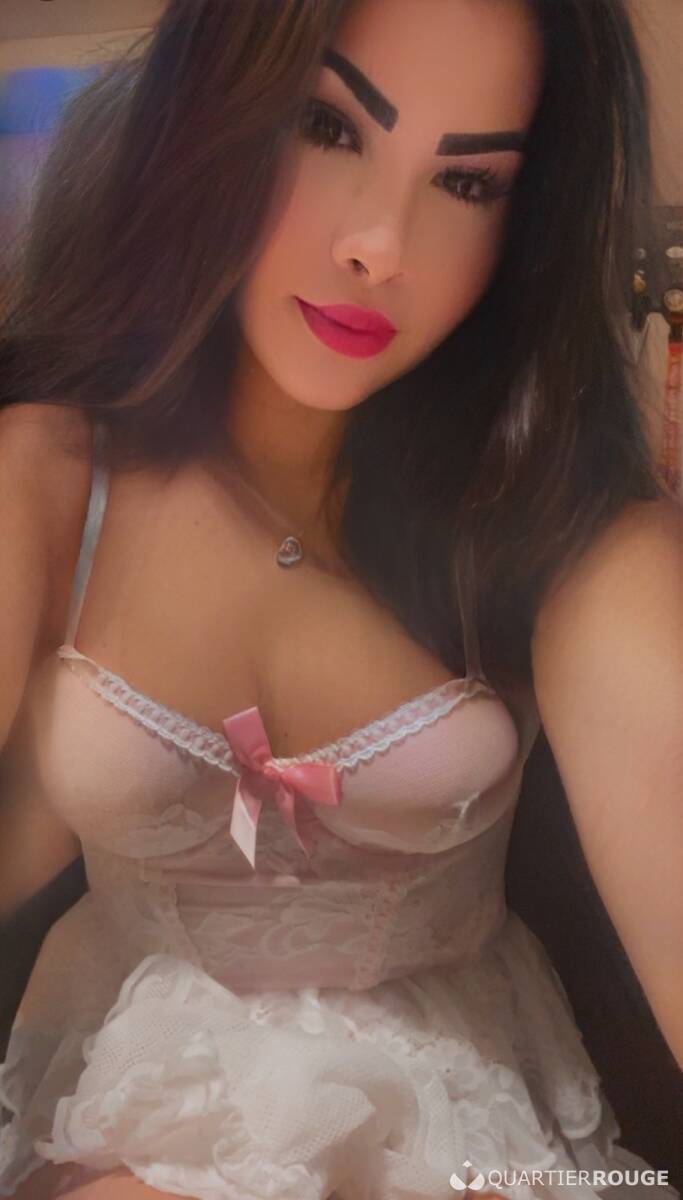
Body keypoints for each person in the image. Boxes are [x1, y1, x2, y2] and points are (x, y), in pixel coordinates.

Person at [0, 0, 681, 1197]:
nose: (379, 246)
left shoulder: (558, 539)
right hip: (127, 1107)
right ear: (209, 116)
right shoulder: (51, 479)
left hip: (453, 1131)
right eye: (326, 126)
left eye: (465, 184)